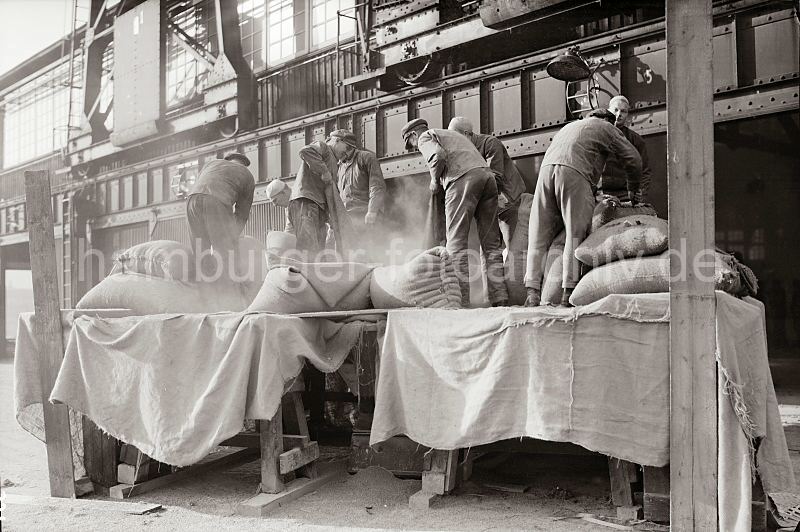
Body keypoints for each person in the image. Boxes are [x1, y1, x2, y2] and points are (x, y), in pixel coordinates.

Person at [524, 109, 642, 307]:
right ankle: (567, 293)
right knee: (576, 234)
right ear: (608, 120)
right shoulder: (607, 127)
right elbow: (634, 159)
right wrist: (633, 189)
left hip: (545, 173)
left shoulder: (569, 127)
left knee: (538, 235)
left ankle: (532, 293)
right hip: (574, 173)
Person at [401, 118, 508, 307]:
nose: (415, 148)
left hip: (462, 178)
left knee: (456, 243)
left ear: (413, 135)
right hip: (487, 178)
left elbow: (438, 156)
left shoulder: (426, 137)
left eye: (411, 144)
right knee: (491, 244)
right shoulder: (451, 135)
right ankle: (499, 298)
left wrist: (435, 180)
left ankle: (461, 301)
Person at [447, 116, 526, 247]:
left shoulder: (490, 143)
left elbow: (496, 177)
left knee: (514, 248)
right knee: (490, 247)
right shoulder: (466, 151)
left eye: (455, 136)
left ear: (466, 134)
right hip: (490, 203)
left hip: (508, 202)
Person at [186, 153, 255, 279]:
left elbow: (201, 184)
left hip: (192, 200)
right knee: (225, 252)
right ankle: (228, 291)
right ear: (244, 165)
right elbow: (242, 213)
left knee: (200, 250)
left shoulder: (211, 164)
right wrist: (233, 235)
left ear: (227, 160)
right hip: (217, 200)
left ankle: (203, 290)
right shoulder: (247, 175)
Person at [327, 129, 387, 261]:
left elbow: (377, 186)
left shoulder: (366, 158)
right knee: (350, 258)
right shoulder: (340, 166)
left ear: (341, 143)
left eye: (333, 144)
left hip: (365, 217)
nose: (332, 150)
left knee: (371, 256)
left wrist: (372, 211)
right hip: (348, 220)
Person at [287, 138, 344, 256]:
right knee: (308, 248)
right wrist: (324, 171)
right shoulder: (324, 147)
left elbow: (330, 191)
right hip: (307, 201)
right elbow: (305, 151)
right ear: (337, 141)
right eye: (347, 147)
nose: (347, 153)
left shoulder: (335, 162)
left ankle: (316, 272)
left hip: (317, 206)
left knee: (318, 251)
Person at [599, 95, 651, 203]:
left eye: (623, 111)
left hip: (626, 195)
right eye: (616, 110)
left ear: (628, 114)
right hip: (601, 194)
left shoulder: (636, 139)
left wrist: (640, 191)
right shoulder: (598, 135)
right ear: (609, 111)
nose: (619, 114)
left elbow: (645, 171)